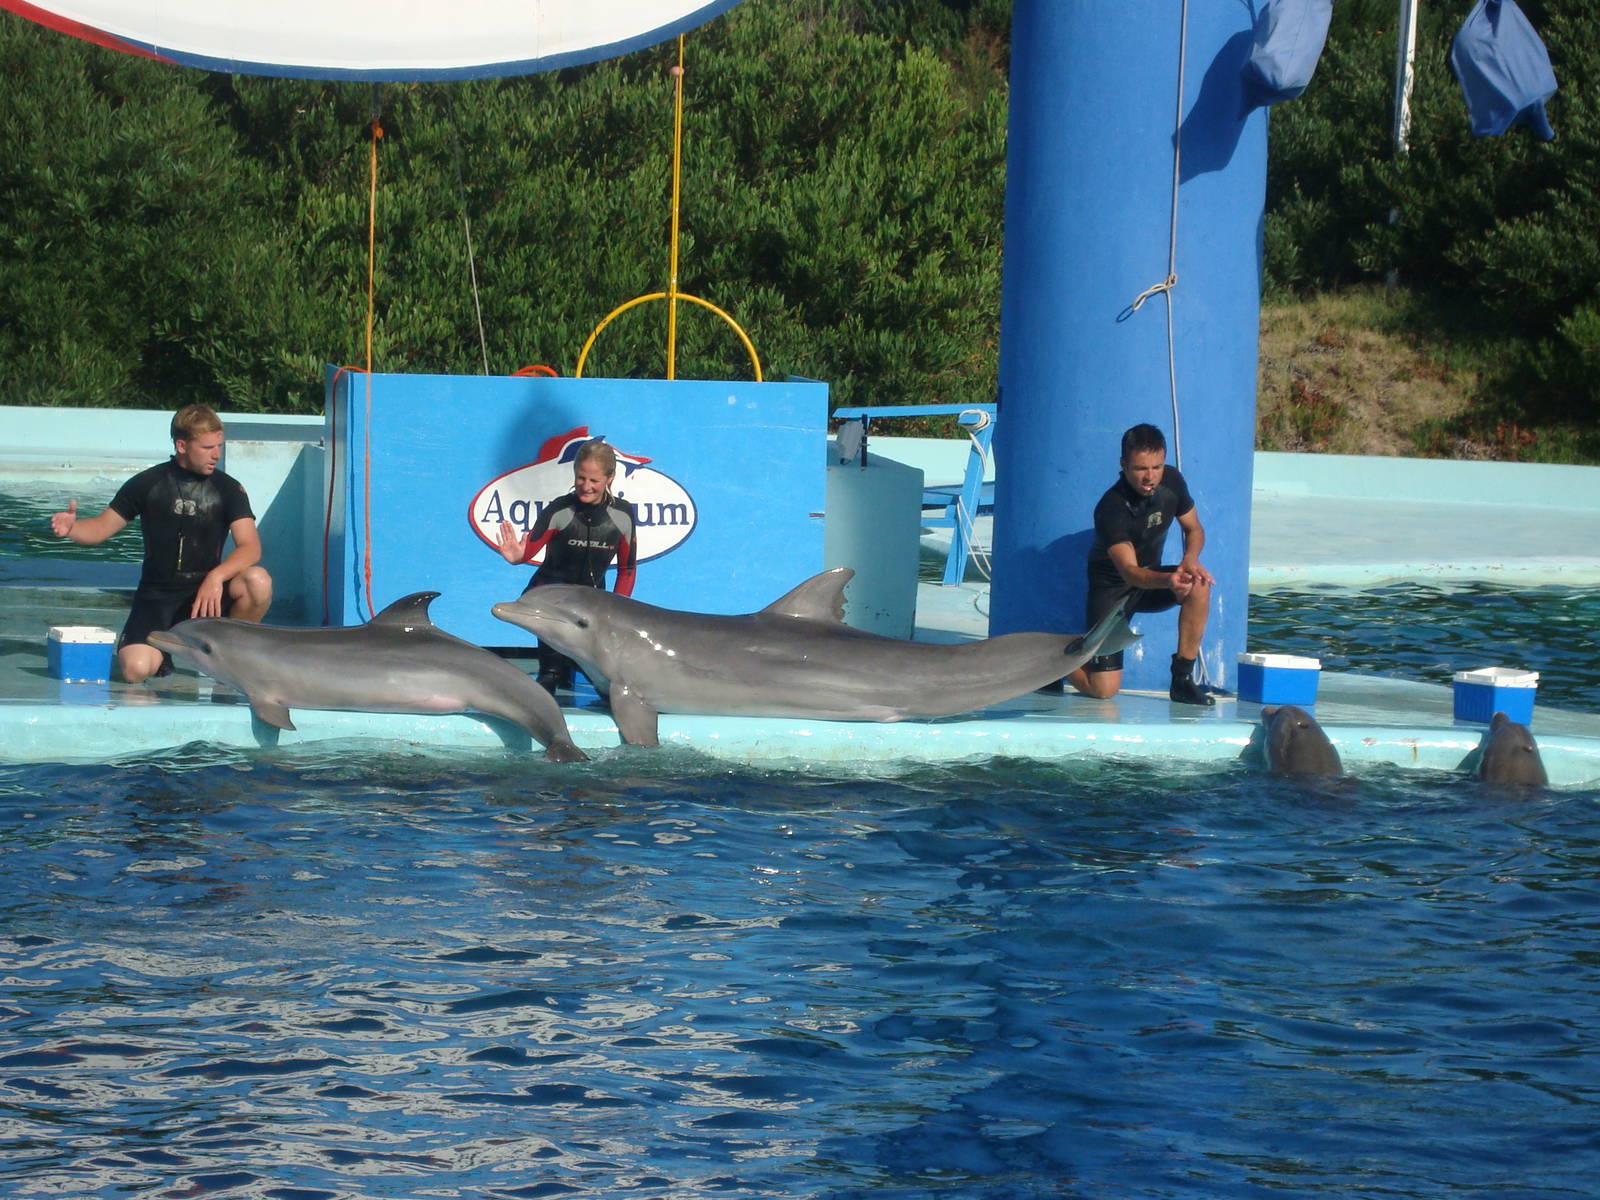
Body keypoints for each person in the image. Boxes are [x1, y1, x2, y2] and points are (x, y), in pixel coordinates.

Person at [49, 404, 273, 684]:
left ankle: (234, 658)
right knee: (135, 670)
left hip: (207, 596)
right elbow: (99, 529)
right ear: (182, 445)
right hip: (158, 598)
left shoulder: (228, 488)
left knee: (257, 581)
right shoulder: (147, 484)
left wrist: (216, 577)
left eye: (219, 446)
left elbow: (250, 547)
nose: (216, 454)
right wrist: (73, 528)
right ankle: (162, 654)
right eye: (207, 447)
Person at [1063, 422, 1217, 706]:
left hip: (1151, 582)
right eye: (1140, 469)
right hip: (1113, 592)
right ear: (1123, 464)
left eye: (1156, 467)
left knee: (1199, 585)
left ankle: (1181, 679)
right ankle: (1060, 660)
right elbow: (1130, 573)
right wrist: (1167, 581)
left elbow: (1194, 529)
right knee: (1104, 690)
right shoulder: (1111, 508)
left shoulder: (1172, 481)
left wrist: (1190, 560)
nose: (1150, 477)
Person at [496, 439, 638, 694]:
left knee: (602, 684)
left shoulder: (623, 515)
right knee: (550, 679)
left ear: (610, 478)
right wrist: (517, 556)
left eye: (594, 480)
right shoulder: (560, 509)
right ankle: (550, 671)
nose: (586, 486)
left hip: (591, 602)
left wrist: (617, 607)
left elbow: (627, 569)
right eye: (581, 477)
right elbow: (529, 550)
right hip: (551, 597)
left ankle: (572, 673)